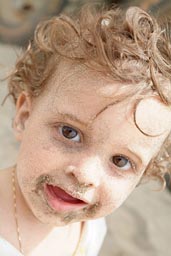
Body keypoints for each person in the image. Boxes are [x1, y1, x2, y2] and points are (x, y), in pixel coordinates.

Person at [0, 4, 171, 256]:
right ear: (25, 117)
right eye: (70, 133)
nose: (84, 174)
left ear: (144, 173)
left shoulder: (89, 232)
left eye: (121, 161)